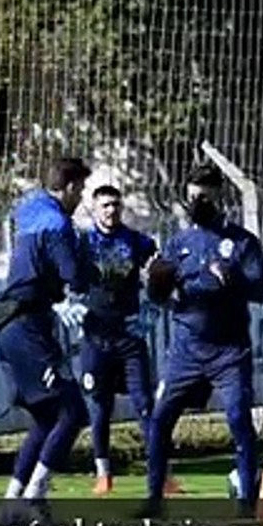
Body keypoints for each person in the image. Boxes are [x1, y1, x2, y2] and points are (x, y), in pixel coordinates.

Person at [139, 164, 263, 518]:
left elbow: (261, 289)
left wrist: (233, 278)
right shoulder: (177, 244)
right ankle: (154, 499)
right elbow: (160, 295)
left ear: (220, 197)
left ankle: (246, 503)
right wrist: (152, 282)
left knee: (238, 417)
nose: (198, 202)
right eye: (194, 196)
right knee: (160, 418)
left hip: (229, 350)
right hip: (185, 349)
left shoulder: (242, 242)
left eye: (206, 197)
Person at [0, 157, 94, 514]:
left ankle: (11, 505)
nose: (81, 198)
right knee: (73, 411)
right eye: (81, 190)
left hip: (12, 327)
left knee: (47, 418)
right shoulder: (58, 224)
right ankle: (35, 497)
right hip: (29, 329)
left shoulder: (30, 210)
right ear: (71, 187)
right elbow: (74, 276)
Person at [75, 184, 179, 495]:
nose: (111, 211)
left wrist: (156, 301)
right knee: (99, 407)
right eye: (105, 205)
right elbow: (65, 273)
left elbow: (162, 268)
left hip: (129, 337)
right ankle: (103, 472)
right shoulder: (83, 243)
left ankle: (162, 474)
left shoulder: (136, 241)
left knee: (145, 404)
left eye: (115, 205)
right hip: (95, 337)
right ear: (94, 209)